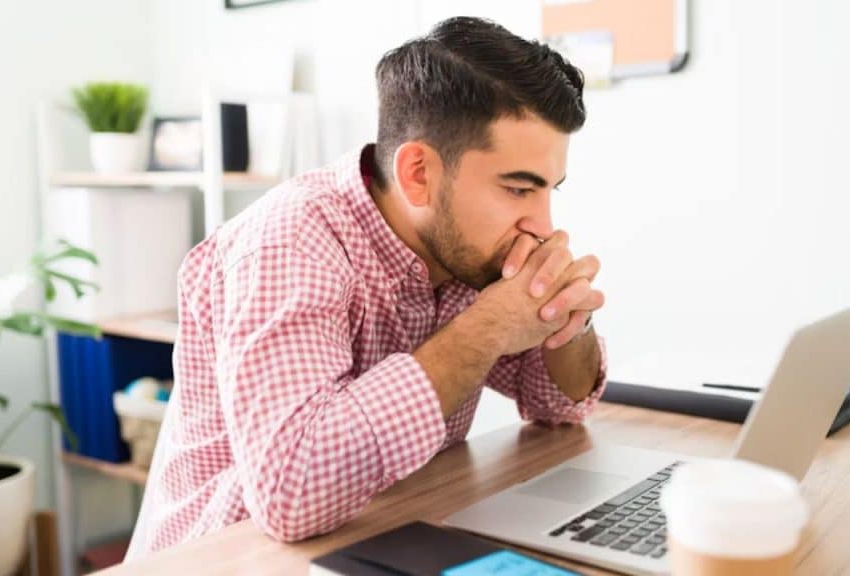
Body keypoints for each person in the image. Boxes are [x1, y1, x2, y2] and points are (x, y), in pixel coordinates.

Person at [126, 15, 607, 559]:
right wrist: (487, 328)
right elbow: (290, 493)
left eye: (549, 190)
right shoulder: (290, 243)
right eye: (519, 188)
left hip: (379, 536)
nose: (543, 224)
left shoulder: (471, 252)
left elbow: (560, 406)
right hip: (223, 558)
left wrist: (569, 315)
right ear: (419, 174)